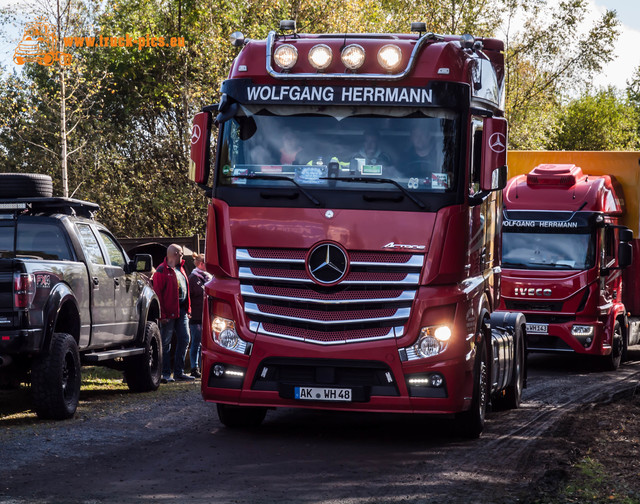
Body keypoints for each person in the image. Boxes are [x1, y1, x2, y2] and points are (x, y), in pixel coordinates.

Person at [152, 244, 195, 383]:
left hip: (181, 310)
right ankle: (164, 374)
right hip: (168, 313)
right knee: (165, 343)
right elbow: (157, 294)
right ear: (175, 253)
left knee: (185, 339)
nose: (183, 255)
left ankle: (179, 372)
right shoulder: (161, 270)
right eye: (181, 253)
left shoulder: (180, 269)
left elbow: (185, 290)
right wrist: (162, 315)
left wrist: (188, 309)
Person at [188, 253, 211, 378]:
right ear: (201, 264)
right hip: (196, 316)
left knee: (205, 344)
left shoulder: (208, 277)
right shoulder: (193, 278)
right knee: (196, 343)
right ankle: (194, 367)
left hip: (206, 317)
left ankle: (205, 367)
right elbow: (191, 296)